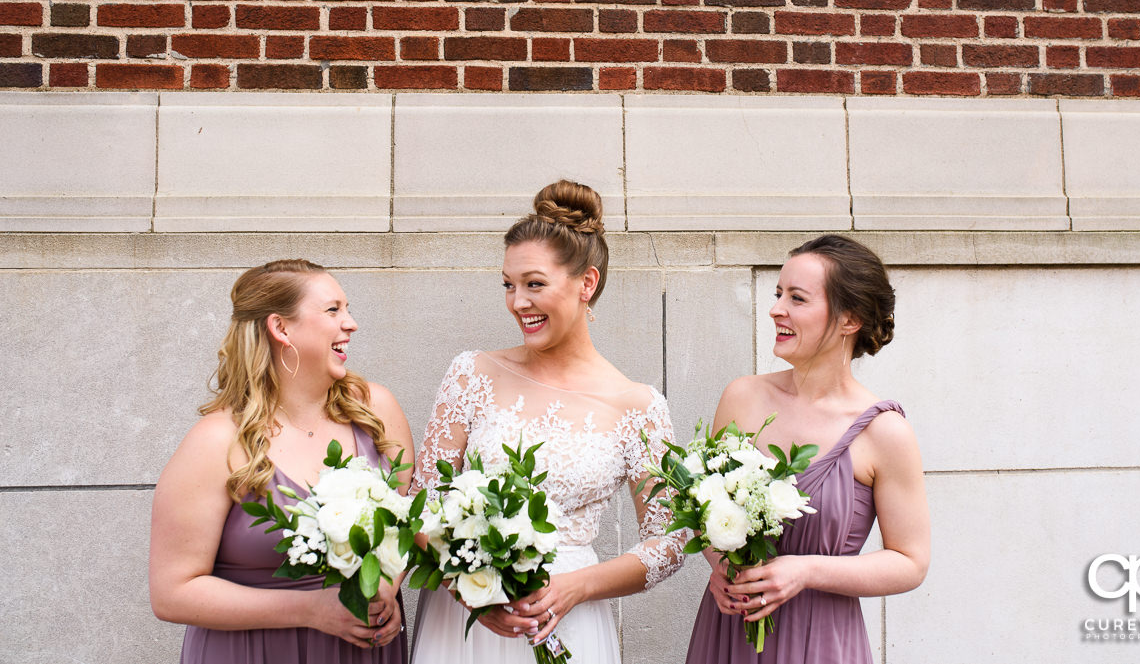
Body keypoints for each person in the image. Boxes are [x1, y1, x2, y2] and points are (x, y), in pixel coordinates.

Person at [409, 180, 687, 664]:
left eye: (534, 284)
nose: (518, 302)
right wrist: (467, 588)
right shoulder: (471, 373)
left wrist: (577, 587)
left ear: (587, 283)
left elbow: (670, 539)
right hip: (465, 621)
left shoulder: (638, 406)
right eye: (508, 285)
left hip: (568, 617)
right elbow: (421, 501)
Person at [149, 259, 415, 662]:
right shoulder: (218, 441)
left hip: (362, 649)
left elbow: (410, 524)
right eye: (333, 310)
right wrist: (311, 611)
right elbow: (172, 593)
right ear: (281, 328)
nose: (351, 323)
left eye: (347, 308)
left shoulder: (375, 410)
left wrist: (386, 592)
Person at [685, 235, 929, 664]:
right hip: (728, 631)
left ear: (849, 319)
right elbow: (704, 510)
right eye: (778, 294)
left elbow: (910, 561)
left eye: (797, 298)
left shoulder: (884, 432)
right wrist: (718, 564)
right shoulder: (741, 398)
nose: (776, 309)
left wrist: (806, 570)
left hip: (820, 641)